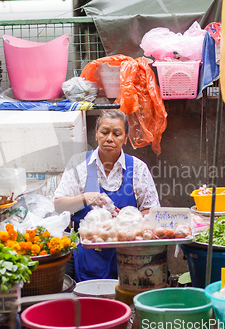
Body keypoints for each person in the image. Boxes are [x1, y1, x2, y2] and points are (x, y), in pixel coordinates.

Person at [54, 110, 160, 282]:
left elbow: (152, 211)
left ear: (125, 138)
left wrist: (127, 221)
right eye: (104, 132)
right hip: (89, 258)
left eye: (117, 134)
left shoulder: (138, 168)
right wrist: (84, 198)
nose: (110, 138)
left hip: (130, 258)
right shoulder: (78, 164)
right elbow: (59, 205)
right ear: (96, 135)